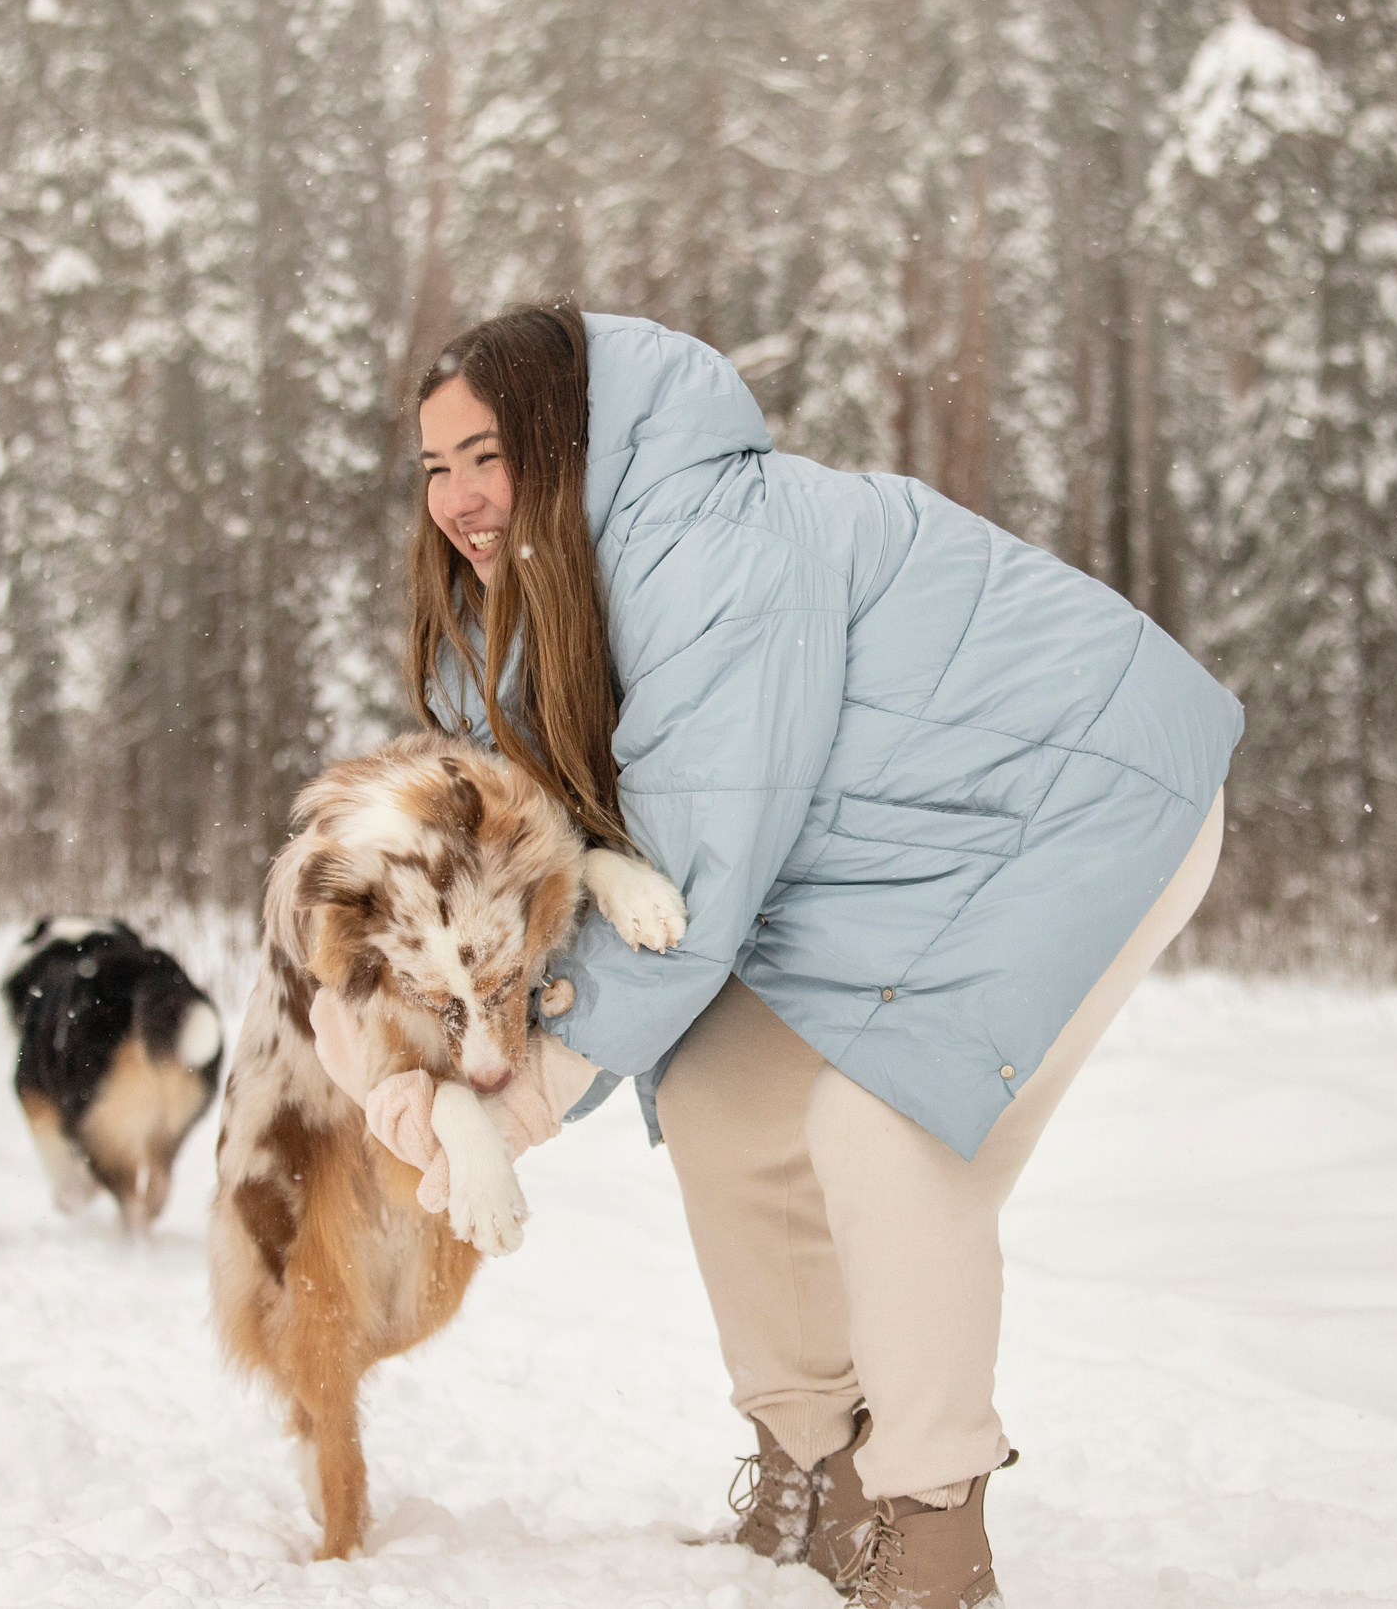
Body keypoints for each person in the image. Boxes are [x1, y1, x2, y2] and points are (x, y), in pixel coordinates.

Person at [322, 303, 1241, 1608]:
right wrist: (436, 1053)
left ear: (564, 437)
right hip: (887, 849)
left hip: (1086, 794)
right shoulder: (527, 610)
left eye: (487, 454)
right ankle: (815, 1465)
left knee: (885, 1125)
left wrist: (520, 1096)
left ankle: (930, 1523)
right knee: (718, 1093)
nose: (460, 498)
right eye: (433, 467)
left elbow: (698, 862)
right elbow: (535, 872)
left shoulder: (710, 547)